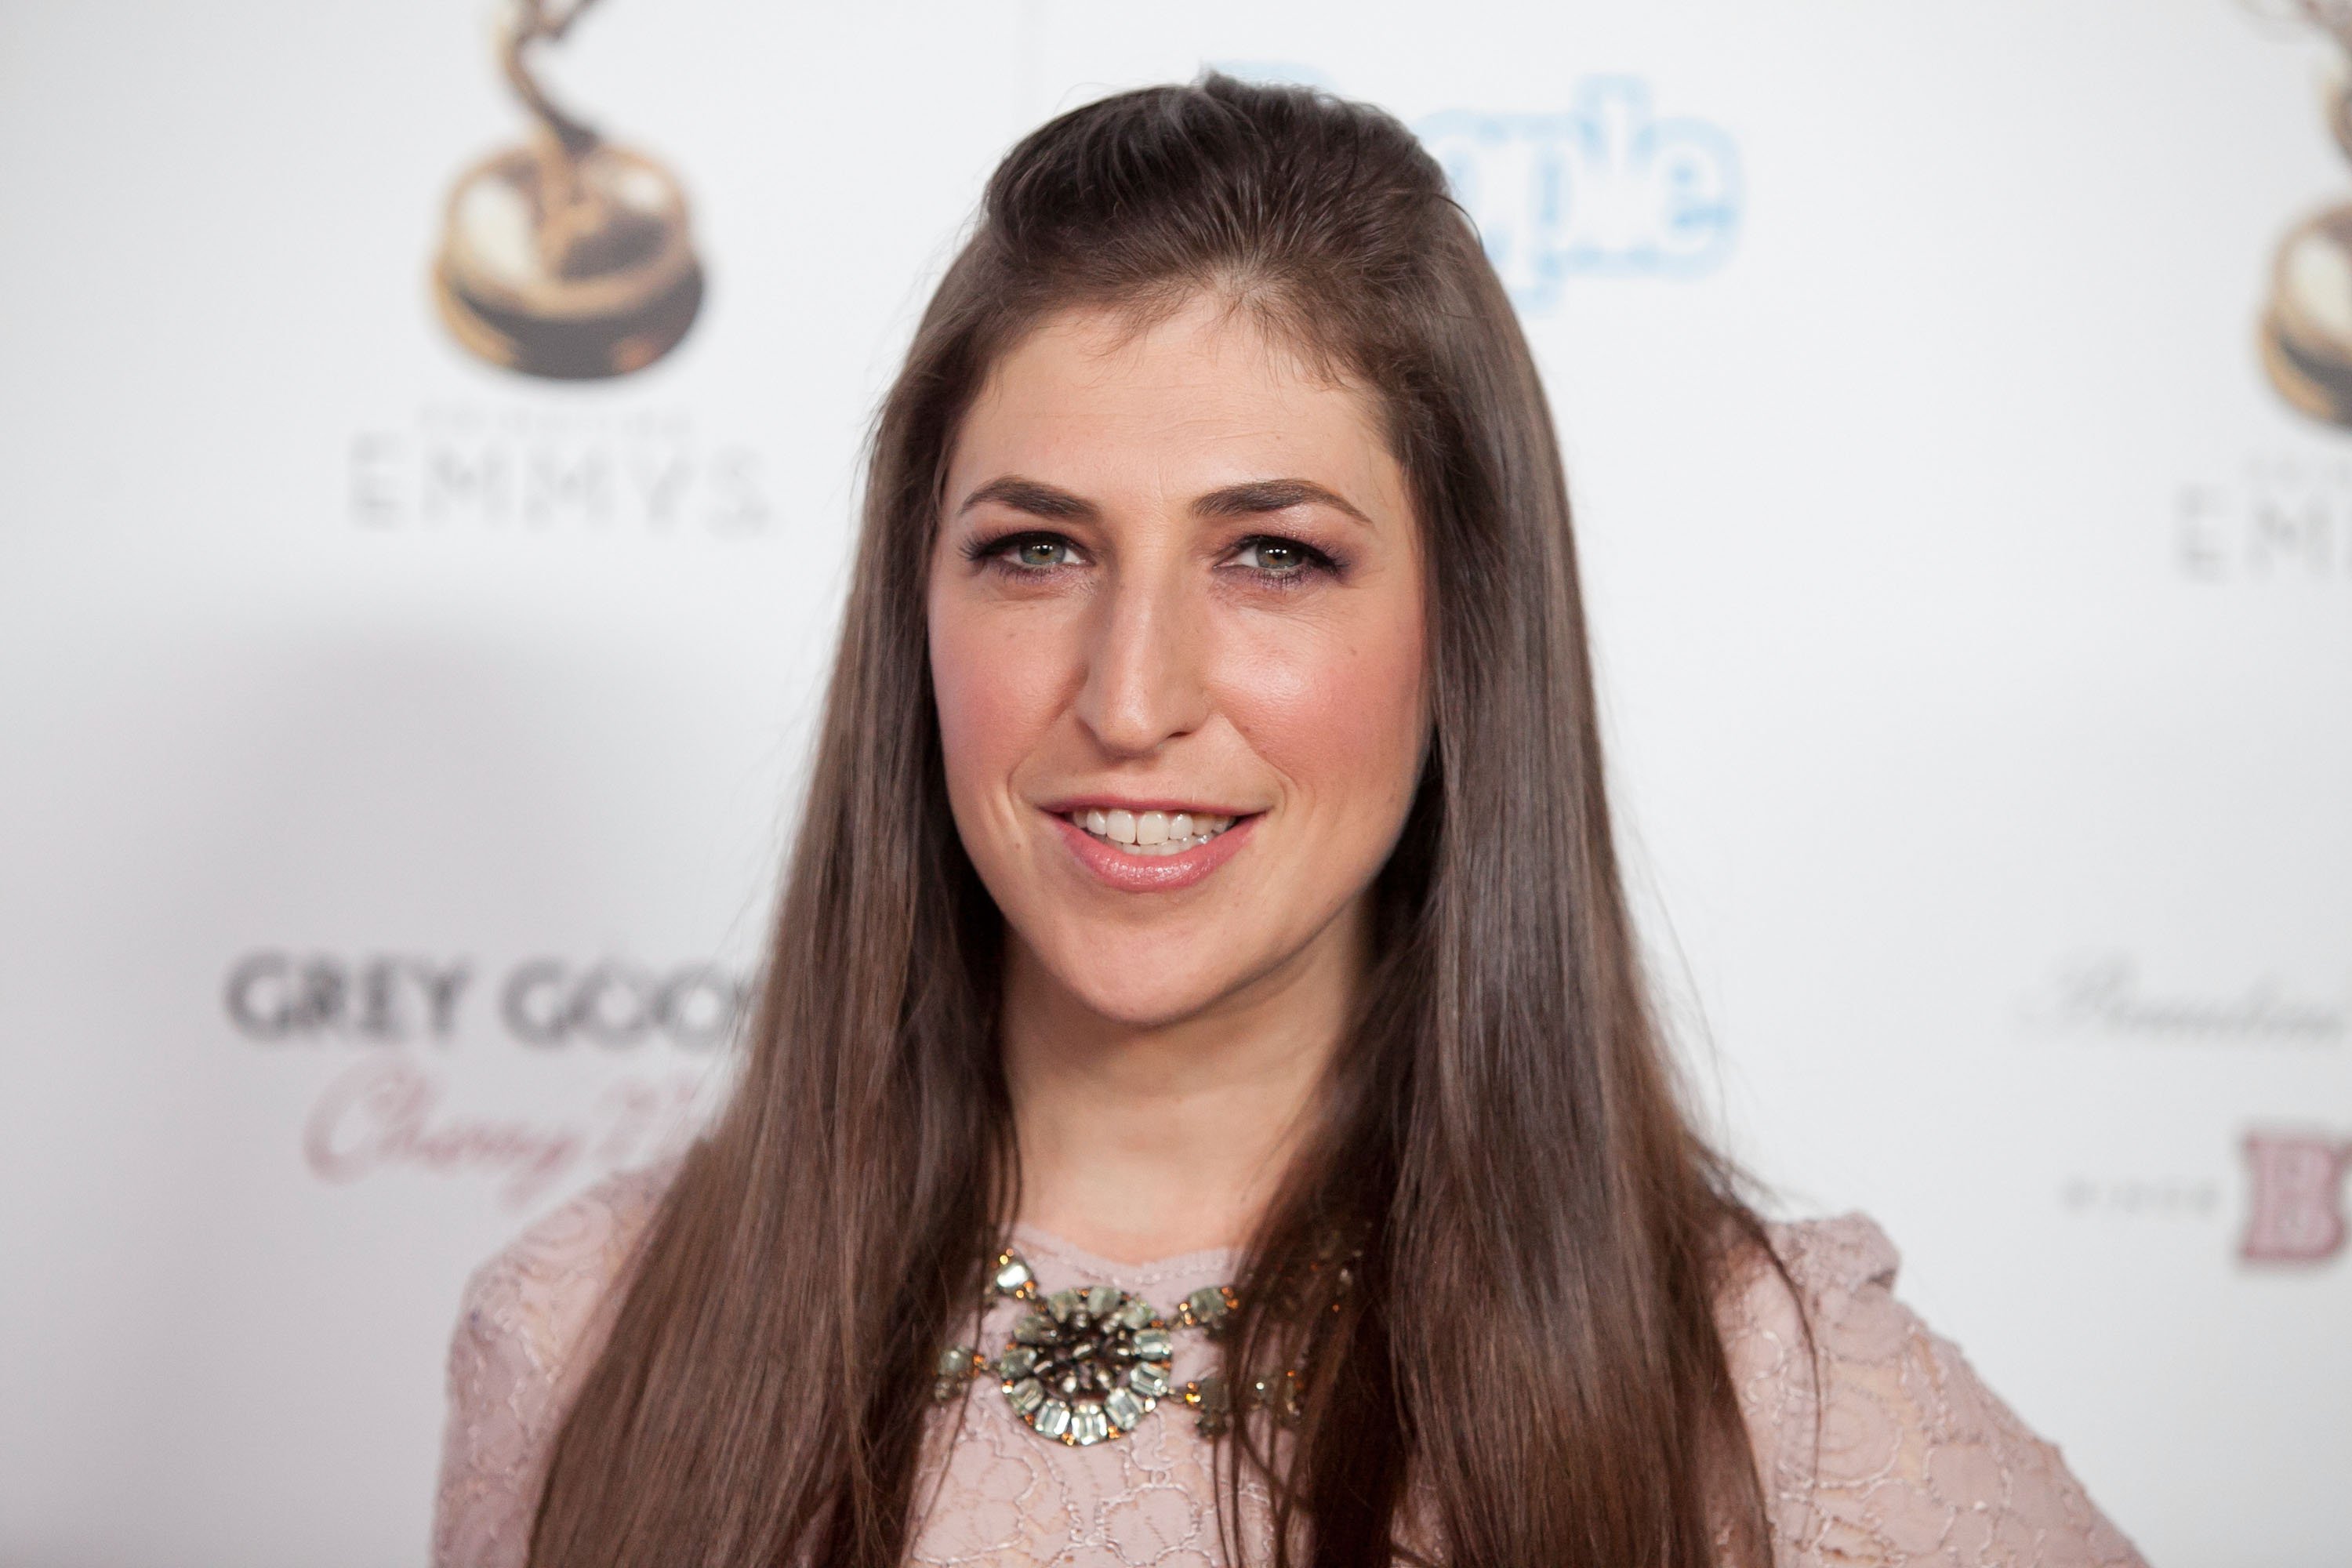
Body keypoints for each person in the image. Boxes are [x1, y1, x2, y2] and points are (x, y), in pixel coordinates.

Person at [431, 74, 2147, 1568]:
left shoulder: (1768, 1401)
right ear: (915, 616)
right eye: (1037, 548)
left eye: (1274, 555)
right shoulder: (582, 1337)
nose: (1132, 693)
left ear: (1463, 632)